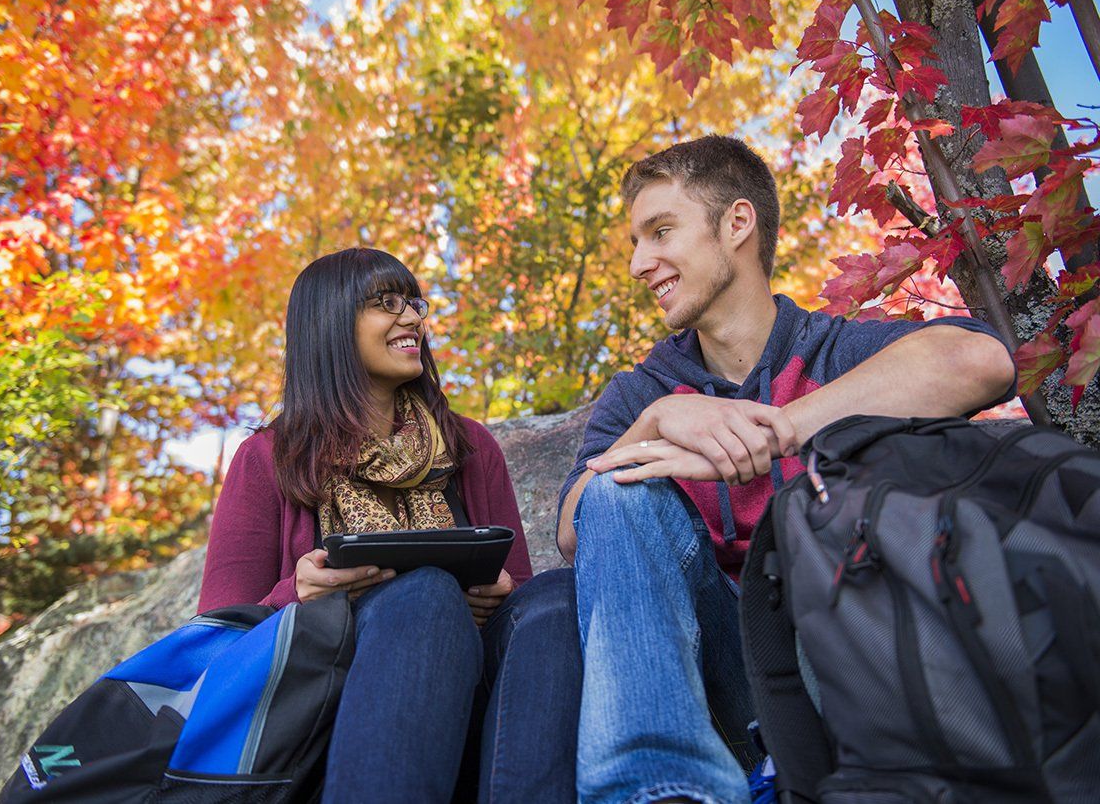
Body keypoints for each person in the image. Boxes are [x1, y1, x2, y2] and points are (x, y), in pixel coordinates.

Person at [556, 136, 1017, 804]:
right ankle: (661, 790)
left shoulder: (834, 349)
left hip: (842, 669)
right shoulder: (640, 393)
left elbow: (981, 363)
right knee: (614, 494)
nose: (638, 263)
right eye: (635, 241)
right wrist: (656, 423)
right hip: (719, 674)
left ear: (737, 224)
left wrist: (783, 430)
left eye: (660, 232)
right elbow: (575, 530)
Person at [199, 247, 580, 804]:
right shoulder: (267, 459)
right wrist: (298, 595)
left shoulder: (470, 446)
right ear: (330, 324)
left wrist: (498, 596)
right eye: (385, 304)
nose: (412, 319)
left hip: (478, 708)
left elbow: (517, 585)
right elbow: (217, 637)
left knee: (558, 594)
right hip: (327, 724)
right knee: (424, 592)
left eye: (412, 303)